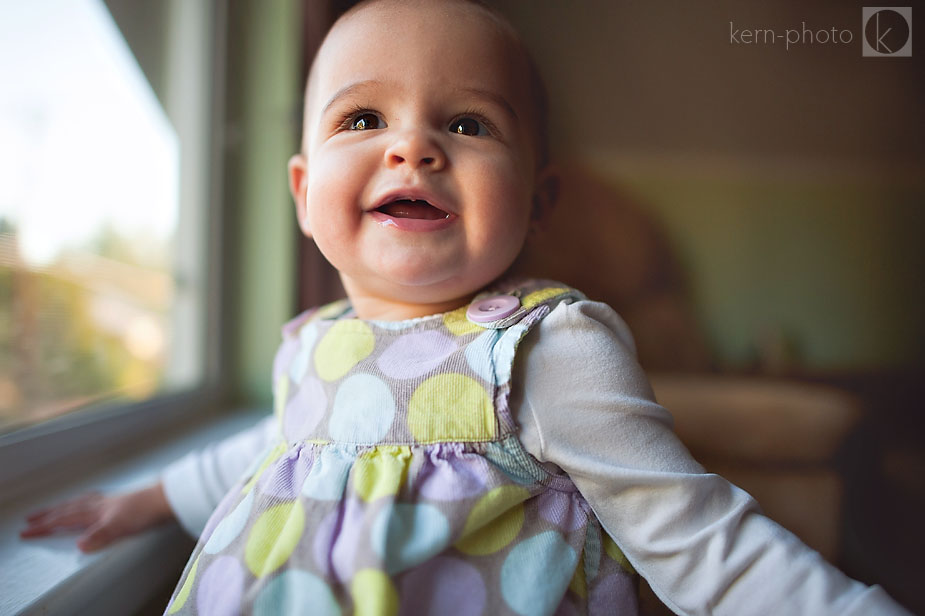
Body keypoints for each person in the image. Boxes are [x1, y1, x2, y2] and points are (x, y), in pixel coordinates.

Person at [20, 1, 911, 614]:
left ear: (537, 203)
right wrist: (145, 501)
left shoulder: (546, 349)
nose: (412, 145)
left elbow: (702, 539)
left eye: (469, 124)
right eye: (362, 119)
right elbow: (279, 447)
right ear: (302, 193)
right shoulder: (310, 344)